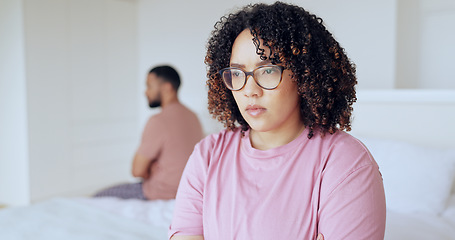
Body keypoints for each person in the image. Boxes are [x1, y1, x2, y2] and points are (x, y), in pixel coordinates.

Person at [169, 2, 386, 240]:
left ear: (304, 75)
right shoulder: (208, 155)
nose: (249, 90)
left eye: (268, 70)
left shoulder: (346, 162)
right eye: (237, 73)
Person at [94, 65, 204, 200]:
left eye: (149, 86)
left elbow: (137, 171)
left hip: (159, 193)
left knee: (98, 196)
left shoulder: (158, 121)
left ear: (167, 87)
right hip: (187, 192)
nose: (146, 92)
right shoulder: (193, 117)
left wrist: (150, 170)